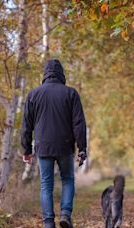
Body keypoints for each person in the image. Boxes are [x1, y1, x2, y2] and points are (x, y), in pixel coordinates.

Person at [21, 59, 87, 228]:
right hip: (65, 146)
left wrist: (26, 149)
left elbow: (27, 125)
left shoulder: (33, 94)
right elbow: (79, 123)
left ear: (45, 74)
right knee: (67, 179)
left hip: (43, 146)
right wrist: (82, 148)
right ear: (61, 74)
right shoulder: (71, 93)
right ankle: (65, 214)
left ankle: (48, 223)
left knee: (46, 185)